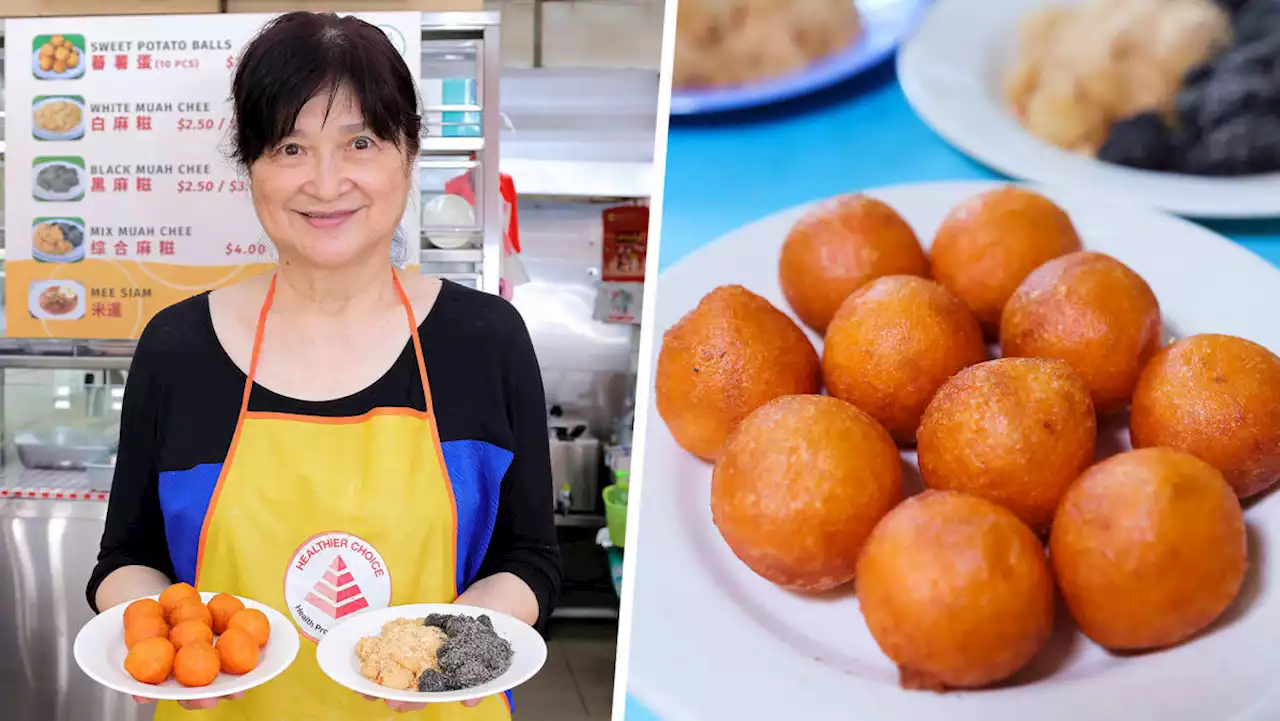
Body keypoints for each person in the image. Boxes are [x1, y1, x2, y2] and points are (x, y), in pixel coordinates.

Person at [87, 12, 561, 720]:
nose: (326, 181)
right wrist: (184, 642)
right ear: (252, 167)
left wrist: (435, 652)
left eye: (361, 142)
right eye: (289, 147)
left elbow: (531, 558)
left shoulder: (485, 339)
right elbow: (124, 557)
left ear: (409, 153)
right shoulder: (176, 347)